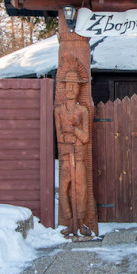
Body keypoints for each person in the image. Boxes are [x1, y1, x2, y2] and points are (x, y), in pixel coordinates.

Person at [55, 70, 92, 237]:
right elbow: (59, 135)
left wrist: (73, 129)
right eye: (67, 85)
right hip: (65, 157)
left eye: (74, 85)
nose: (70, 89)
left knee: (81, 189)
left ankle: (81, 222)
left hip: (79, 156)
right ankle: (69, 222)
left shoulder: (83, 110)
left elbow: (85, 137)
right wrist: (68, 137)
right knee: (63, 189)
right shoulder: (59, 111)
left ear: (78, 88)